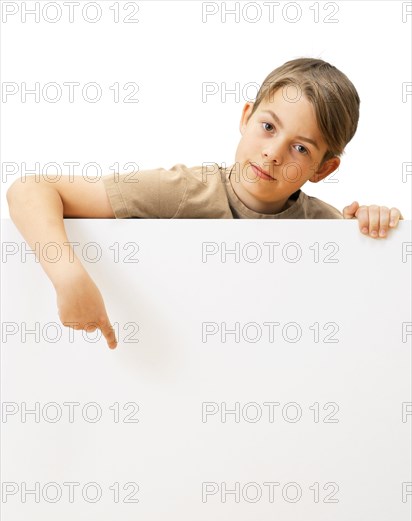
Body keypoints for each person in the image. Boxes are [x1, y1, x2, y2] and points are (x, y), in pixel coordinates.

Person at [6, 58, 404, 350]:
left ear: (323, 168)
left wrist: (372, 234)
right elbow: (30, 188)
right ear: (246, 117)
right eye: (268, 127)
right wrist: (69, 278)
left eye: (300, 148)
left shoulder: (325, 226)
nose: (272, 154)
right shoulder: (185, 190)